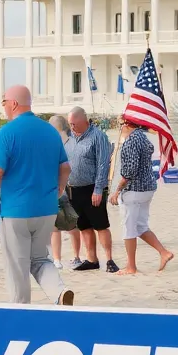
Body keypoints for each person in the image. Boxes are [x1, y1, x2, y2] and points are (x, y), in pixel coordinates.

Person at [0, 86, 74, 306]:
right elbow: (65, 168)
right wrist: (59, 190)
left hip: (15, 210)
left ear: (13, 103)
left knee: (17, 264)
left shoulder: (6, 132)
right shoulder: (50, 131)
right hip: (46, 208)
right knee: (40, 259)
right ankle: (60, 292)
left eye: (4, 102)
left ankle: (20, 309)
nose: (3, 106)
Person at [109, 118, 174, 274]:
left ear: (127, 124)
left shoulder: (131, 141)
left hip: (135, 190)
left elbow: (129, 171)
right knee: (140, 226)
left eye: (121, 124)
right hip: (147, 188)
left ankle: (131, 266)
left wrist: (117, 190)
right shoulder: (142, 138)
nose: (120, 128)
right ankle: (164, 252)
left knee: (128, 228)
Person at [65, 107, 115, 272]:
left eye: (74, 124)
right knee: (84, 226)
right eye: (70, 124)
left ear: (84, 121)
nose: (72, 127)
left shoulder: (97, 136)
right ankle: (92, 260)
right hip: (74, 189)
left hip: (92, 188)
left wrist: (99, 189)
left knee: (100, 225)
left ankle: (109, 260)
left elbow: (103, 164)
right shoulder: (70, 139)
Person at [46, 115, 80, 268]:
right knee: (68, 225)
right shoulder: (71, 142)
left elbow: (67, 168)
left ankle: (59, 259)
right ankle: (70, 257)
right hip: (67, 187)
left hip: (64, 187)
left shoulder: (56, 143)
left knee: (62, 225)